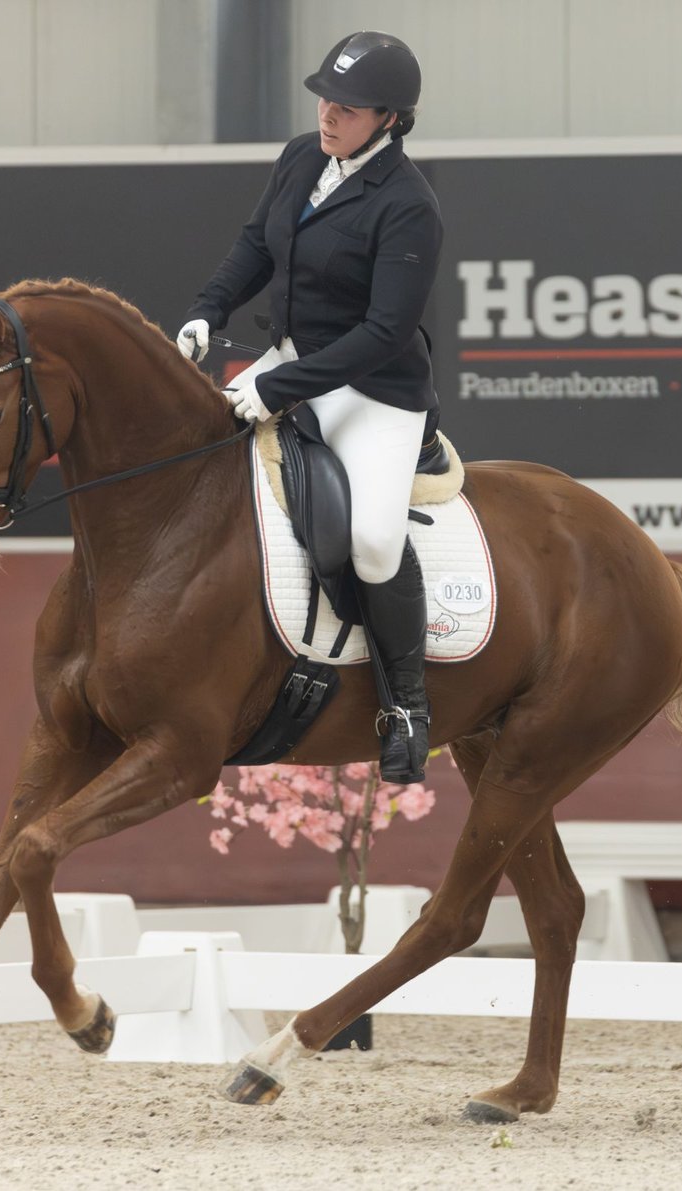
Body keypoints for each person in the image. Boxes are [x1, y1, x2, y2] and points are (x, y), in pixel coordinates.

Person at [178, 30, 440, 785]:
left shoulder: (409, 206)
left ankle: (407, 707)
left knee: (373, 539)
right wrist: (209, 308)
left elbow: (385, 334)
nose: (329, 113)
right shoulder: (303, 155)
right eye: (326, 96)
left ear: (389, 119)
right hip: (289, 361)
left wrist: (273, 387)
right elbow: (257, 244)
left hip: (374, 390)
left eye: (348, 107)